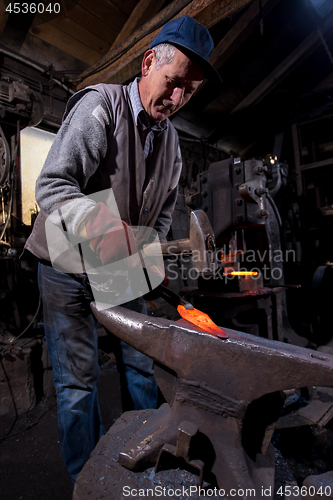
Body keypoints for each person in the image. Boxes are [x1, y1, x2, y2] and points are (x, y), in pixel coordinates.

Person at [24, 15, 222, 483]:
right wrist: (104, 227)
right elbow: (52, 186)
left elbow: (159, 219)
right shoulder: (101, 107)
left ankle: (141, 474)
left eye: (188, 93)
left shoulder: (172, 144)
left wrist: (151, 264)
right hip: (66, 262)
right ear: (149, 61)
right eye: (173, 84)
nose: (177, 99)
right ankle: (87, 483)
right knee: (78, 385)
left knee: (142, 365)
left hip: (120, 264)